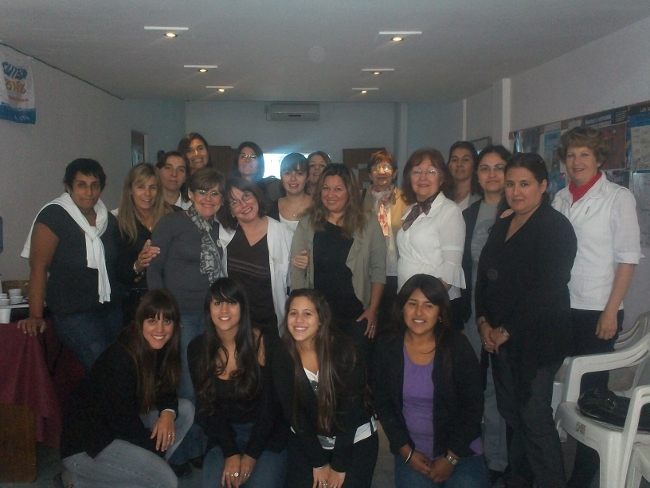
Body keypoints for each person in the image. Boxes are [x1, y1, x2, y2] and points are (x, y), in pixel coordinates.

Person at [475, 152, 577, 487]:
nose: (516, 192)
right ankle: (519, 480)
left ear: (543, 186)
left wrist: (505, 330)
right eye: (510, 184)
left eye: (524, 184)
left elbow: (547, 290)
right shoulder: (503, 224)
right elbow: (484, 277)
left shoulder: (555, 228)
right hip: (499, 340)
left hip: (538, 341)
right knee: (512, 416)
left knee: (533, 419)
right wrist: (483, 323)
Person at [553, 127, 643, 488]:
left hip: (597, 310)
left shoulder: (617, 198)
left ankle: (582, 476)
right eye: (571, 155)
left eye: (585, 155)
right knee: (557, 385)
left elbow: (627, 259)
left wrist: (610, 311)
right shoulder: (559, 198)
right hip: (562, 306)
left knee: (591, 395)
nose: (577, 162)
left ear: (598, 159)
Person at [60, 289, 194, 487]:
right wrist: (154, 456)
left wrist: (167, 412)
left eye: (167, 321)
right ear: (140, 322)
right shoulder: (120, 359)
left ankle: (140, 473)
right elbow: (125, 423)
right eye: (152, 321)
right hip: (88, 446)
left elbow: (166, 388)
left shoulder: (160, 346)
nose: (160, 329)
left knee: (184, 410)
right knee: (167, 481)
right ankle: (77, 481)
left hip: (118, 429)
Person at [373, 274, 487, 488]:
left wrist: (451, 458)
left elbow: (473, 405)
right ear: (401, 308)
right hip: (413, 452)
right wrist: (406, 452)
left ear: (440, 312)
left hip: (460, 450)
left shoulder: (458, 347)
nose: (419, 312)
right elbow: (383, 404)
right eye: (412, 304)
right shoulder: (387, 347)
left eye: (428, 306)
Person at [18, 158, 123, 371]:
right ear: (69, 187)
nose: (89, 192)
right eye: (81, 185)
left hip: (110, 310)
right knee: (103, 369)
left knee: (121, 366)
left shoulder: (108, 220)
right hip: (73, 313)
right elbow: (38, 267)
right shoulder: (55, 215)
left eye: (95, 185)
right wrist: (35, 315)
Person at [273, 288, 378, 488]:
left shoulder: (345, 350)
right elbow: (294, 413)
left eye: (307, 314)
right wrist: (318, 462)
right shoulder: (282, 355)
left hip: (353, 438)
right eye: (293, 313)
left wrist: (339, 465)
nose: (299, 320)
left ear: (321, 319)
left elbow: (351, 414)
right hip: (308, 439)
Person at [188, 278, 287, 488]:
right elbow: (207, 407)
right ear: (209, 310)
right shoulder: (197, 349)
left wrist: (250, 456)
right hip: (225, 433)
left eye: (232, 302)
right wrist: (231, 452)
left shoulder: (266, 343)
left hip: (266, 434)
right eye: (217, 303)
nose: (224, 310)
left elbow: (272, 407)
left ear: (243, 307)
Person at [148, 167, 231, 402]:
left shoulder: (222, 227)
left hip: (213, 315)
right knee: (187, 381)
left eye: (214, 193)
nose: (208, 198)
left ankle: (208, 422)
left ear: (222, 198)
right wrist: (166, 314)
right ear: (191, 194)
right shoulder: (171, 223)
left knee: (211, 374)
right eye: (202, 192)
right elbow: (154, 269)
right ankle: (189, 424)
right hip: (182, 315)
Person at [290, 163, 386, 366]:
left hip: (356, 315)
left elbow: (378, 270)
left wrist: (373, 309)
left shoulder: (368, 222)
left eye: (338, 189)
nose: (330, 194)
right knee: (322, 371)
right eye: (326, 188)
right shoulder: (308, 223)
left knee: (355, 372)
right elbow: (297, 269)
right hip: (318, 317)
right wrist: (301, 313)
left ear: (350, 191)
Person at [460, 145, 511, 484]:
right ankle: (471, 449)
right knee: (471, 383)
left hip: (504, 313)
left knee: (496, 387)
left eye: (499, 167)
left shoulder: (518, 210)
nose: (492, 174)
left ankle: (497, 460)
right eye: (485, 168)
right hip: (471, 311)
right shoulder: (468, 215)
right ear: (477, 175)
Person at [396, 149, 465, 310]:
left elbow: (451, 269)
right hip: (408, 300)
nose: (423, 177)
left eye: (431, 171)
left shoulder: (449, 212)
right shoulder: (412, 210)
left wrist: (423, 303)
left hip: (434, 303)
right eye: (417, 171)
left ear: (442, 178)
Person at [224, 177, 292, 335]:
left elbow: (293, 283)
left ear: (256, 196)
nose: (244, 205)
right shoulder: (224, 236)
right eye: (235, 202)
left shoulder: (283, 234)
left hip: (272, 325)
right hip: (237, 326)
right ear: (231, 212)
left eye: (246, 196)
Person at [116, 163, 173, 325]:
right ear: (130, 190)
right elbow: (119, 272)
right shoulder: (118, 224)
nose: (147, 193)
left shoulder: (173, 217)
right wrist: (138, 264)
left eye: (152, 187)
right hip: (137, 302)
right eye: (141, 187)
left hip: (171, 297)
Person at [361, 150, 409, 332]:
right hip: (368, 274)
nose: (381, 172)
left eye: (386, 167)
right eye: (376, 168)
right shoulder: (359, 200)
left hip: (396, 272)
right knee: (369, 325)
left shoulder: (406, 200)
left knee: (394, 325)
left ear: (394, 173)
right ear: (369, 174)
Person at [267, 153, 312, 233]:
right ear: (281, 176)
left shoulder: (319, 207)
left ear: (307, 177)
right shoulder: (271, 210)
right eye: (287, 173)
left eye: (299, 173)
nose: (293, 178)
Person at [448, 141, 482, 210]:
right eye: (454, 160)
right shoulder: (441, 196)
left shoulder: (481, 199)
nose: (459, 164)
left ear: (474, 165)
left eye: (465, 160)